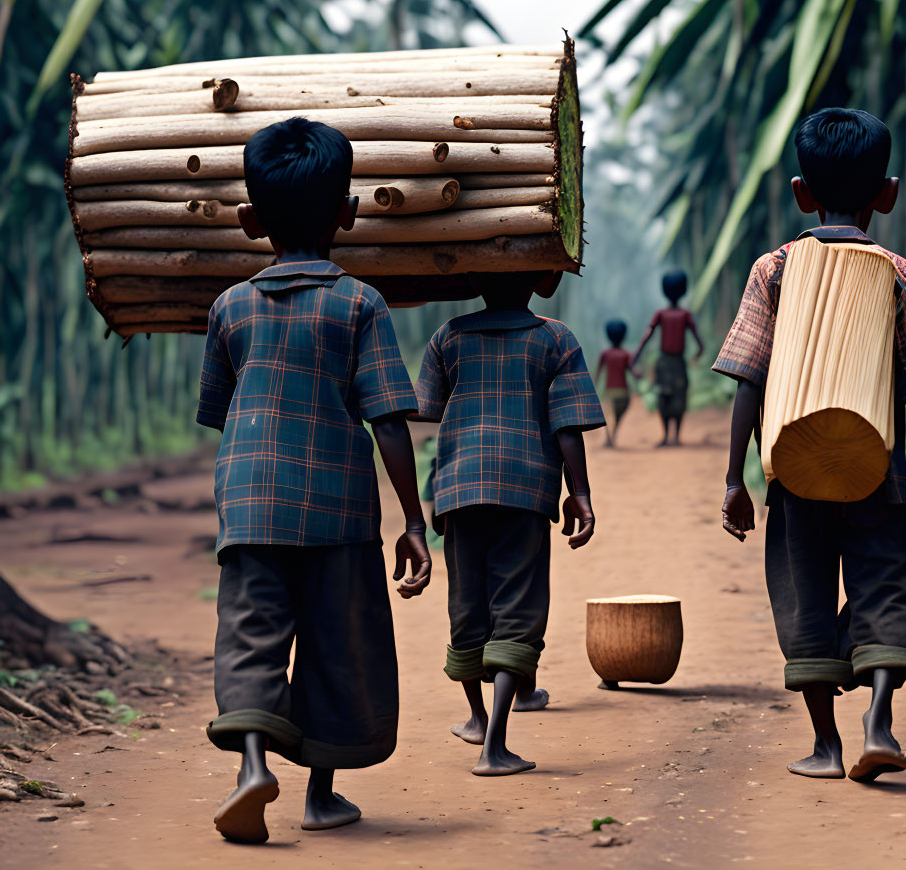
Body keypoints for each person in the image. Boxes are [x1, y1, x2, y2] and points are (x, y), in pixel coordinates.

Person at [196, 117, 432, 843]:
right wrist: (413, 521)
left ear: (247, 219)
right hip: (337, 507)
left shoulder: (228, 307)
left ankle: (252, 768)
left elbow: (218, 410)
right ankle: (320, 796)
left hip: (250, 500)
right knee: (338, 642)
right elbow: (389, 419)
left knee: (251, 635)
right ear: (347, 211)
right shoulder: (360, 303)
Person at [715, 108, 906, 783]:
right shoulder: (894, 272)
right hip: (875, 462)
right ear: (888, 193)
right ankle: (877, 718)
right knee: (882, 581)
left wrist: (734, 477)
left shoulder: (774, 269)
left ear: (800, 192)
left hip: (792, 465)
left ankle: (824, 745)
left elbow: (747, 378)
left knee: (803, 592)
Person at [413, 271, 605, 776]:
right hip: (525, 487)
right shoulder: (555, 338)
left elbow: (427, 409)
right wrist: (579, 494)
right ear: (539, 283)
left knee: (467, 603)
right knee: (516, 606)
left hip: (458, 486)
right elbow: (567, 425)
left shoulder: (448, 336)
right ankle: (494, 746)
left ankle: (476, 718)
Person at [632, 271, 704, 446]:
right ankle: (676, 437)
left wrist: (636, 357)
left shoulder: (661, 314)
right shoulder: (685, 315)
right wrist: (697, 354)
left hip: (663, 362)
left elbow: (646, 336)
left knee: (663, 398)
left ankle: (666, 436)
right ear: (684, 290)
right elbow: (699, 342)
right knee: (679, 397)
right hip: (678, 362)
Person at [595, 319, 638, 447]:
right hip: (623, 391)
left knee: (607, 415)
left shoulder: (605, 354)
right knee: (618, 415)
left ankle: (609, 437)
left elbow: (598, 373)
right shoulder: (626, 354)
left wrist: (593, 387)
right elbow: (633, 372)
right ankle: (613, 435)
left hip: (609, 391)